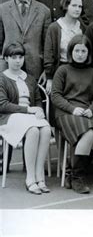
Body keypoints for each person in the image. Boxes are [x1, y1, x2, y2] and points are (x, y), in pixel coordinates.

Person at [51, 35, 93, 194]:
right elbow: (55, 95)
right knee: (89, 132)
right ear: (71, 51)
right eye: (77, 50)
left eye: (83, 51)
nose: (80, 54)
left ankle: (73, 170)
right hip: (65, 113)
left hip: (85, 113)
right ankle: (78, 177)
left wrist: (91, 109)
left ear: (88, 53)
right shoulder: (62, 70)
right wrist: (72, 109)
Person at [0, 43, 51, 195]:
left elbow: (37, 100)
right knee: (33, 130)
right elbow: (3, 105)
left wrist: (40, 111)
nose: (17, 61)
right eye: (13, 57)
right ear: (6, 59)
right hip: (9, 117)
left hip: (29, 116)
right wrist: (29, 110)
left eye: (20, 57)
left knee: (47, 129)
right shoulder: (2, 78)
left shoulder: (29, 78)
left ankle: (39, 175)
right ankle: (30, 178)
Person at [0, 0, 51, 81]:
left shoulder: (44, 11)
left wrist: (46, 71)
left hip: (34, 68)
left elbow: (47, 45)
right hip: (8, 67)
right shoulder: (2, 9)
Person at [44, 0, 85, 94]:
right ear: (66, 6)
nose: (77, 9)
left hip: (80, 72)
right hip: (60, 71)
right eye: (74, 5)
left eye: (80, 6)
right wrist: (50, 77)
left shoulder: (82, 28)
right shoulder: (55, 28)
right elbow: (49, 54)